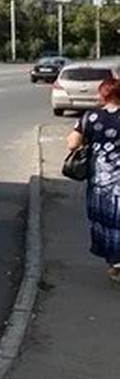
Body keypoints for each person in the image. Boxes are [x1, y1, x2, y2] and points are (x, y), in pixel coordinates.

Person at [66, 76, 120, 283]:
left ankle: (115, 262)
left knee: (105, 222)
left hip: (100, 182)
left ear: (104, 95)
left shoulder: (91, 117)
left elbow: (72, 144)